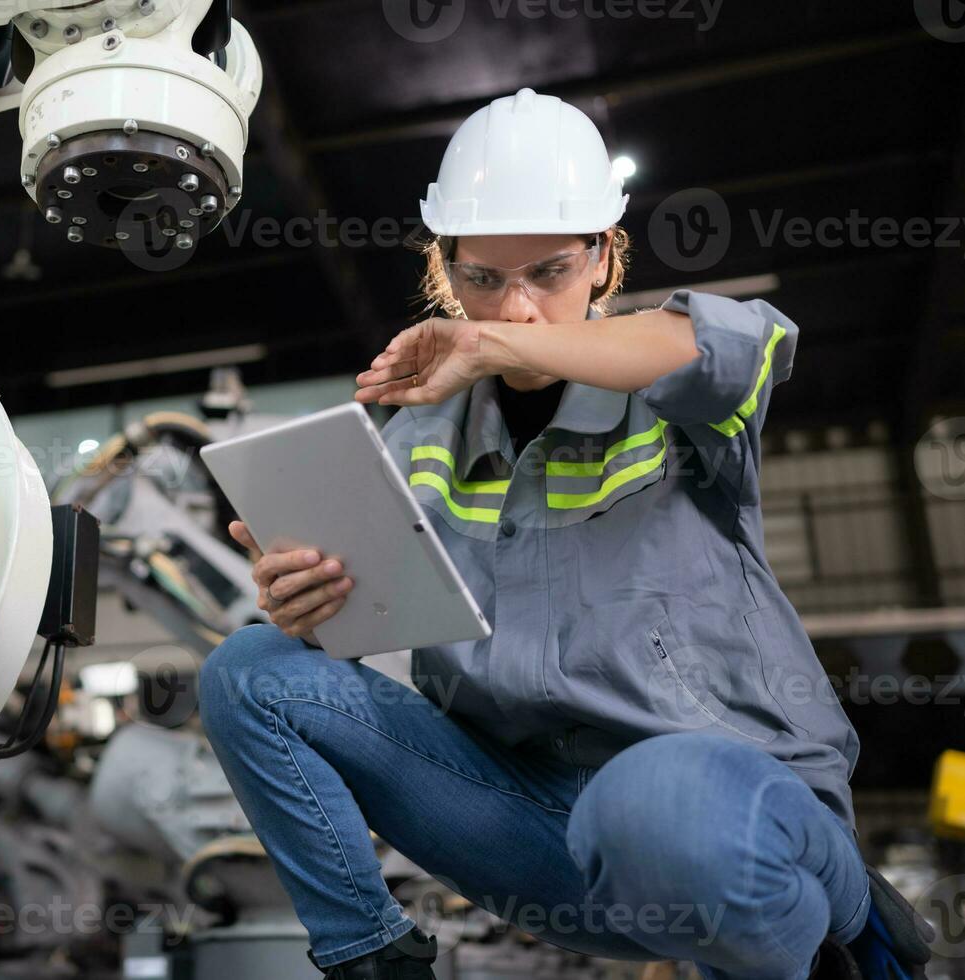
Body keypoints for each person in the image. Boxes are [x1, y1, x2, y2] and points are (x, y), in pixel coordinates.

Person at [197, 89, 935, 980]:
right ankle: (373, 958)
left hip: (726, 813)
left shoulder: (662, 388)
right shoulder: (416, 438)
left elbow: (720, 345)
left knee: (654, 803)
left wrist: (503, 351)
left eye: (547, 272)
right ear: (444, 270)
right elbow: (369, 634)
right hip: (530, 829)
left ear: (603, 256)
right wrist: (308, 608)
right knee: (250, 672)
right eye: (481, 278)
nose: (514, 308)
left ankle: (844, 931)